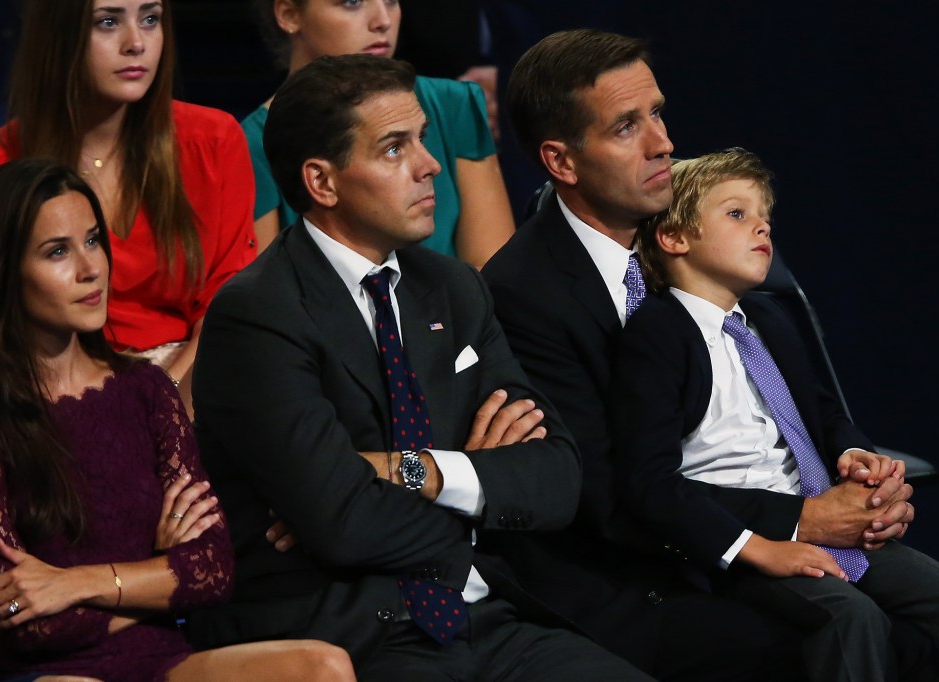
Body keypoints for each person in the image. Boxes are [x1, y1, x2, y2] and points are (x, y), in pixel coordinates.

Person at [187, 54, 651, 681]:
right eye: (394, 149)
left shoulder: (454, 288)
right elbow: (342, 525)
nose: (430, 165)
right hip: (346, 633)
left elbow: (556, 477)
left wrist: (418, 472)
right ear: (322, 182)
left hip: (481, 616)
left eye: (424, 140)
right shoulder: (259, 314)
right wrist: (477, 493)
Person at [481, 30, 917, 681]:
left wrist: (860, 480)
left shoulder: (705, 241)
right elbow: (601, 495)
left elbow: (803, 400)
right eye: (627, 126)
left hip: (746, 529)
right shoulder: (524, 293)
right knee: (842, 628)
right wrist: (801, 518)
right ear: (561, 161)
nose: (662, 142)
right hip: (633, 575)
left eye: (657, 112)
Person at [0, 160, 354, 682]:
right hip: (55, 673)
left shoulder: (146, 390)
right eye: (57, 251)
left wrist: (78, 583)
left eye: (92, 241)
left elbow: (212, 571)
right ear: (2, 271)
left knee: (323, 666)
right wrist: (157, 579)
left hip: (162, 661)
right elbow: (23, 623)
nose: (91, 269)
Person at [610, 148, 939, 682]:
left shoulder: (769, 320)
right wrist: (763, 542)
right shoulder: (658, 334)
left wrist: (856, 455)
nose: (762, 226)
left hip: (828, 520)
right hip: (744, 536)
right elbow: (649, 481)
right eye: (737, 214)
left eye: (765, 216)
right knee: (850, 618)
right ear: (674, 238)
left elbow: (824, 413)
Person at [0, 0, 258, 416]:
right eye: (108, 22)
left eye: (150, 19)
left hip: (197, 380)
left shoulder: (215, 141)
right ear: (59, 35)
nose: (137, 43)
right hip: (58, 396)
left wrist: (162, 404)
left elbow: (229, 306)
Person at [243, 0, 514, 268]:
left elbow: (491, 271)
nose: (383, 20)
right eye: (352, 3)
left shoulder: (452, 104)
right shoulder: (252, 142)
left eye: (391, 1)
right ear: (289, 14)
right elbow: (264, 296)